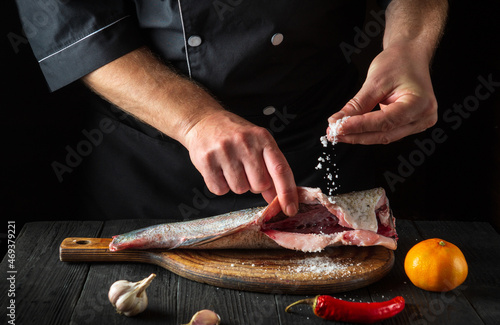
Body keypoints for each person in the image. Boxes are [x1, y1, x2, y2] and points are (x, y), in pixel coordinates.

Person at [15, 0, 448, 221]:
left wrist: (409, 47)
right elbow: (75, 28)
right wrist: (194, 120)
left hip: (317, 147)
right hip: (153, 173)